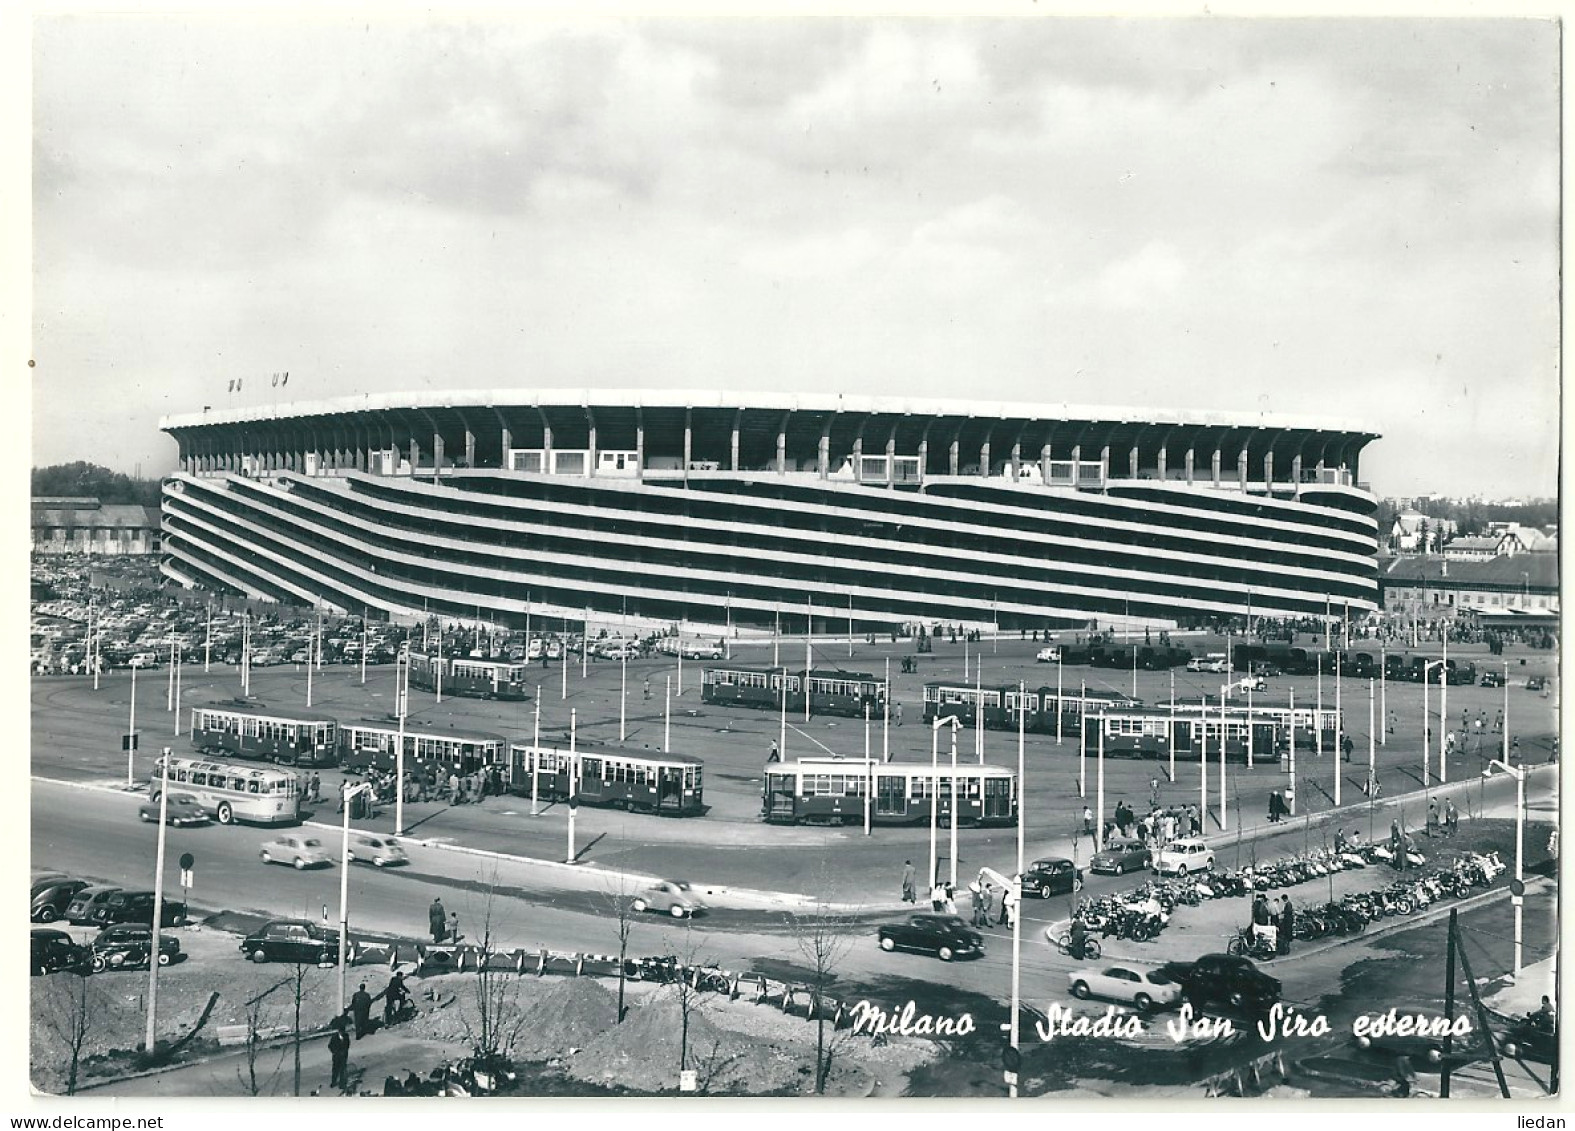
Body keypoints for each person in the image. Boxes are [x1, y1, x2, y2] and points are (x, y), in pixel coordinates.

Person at [327, 1021, 350, 1091]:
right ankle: (333, 1082)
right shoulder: (334, 1038)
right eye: (341, 1032)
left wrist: (345, 1051)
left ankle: (342, 1084)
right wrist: (335, 1052)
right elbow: (330, 1046)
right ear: (339, 1031)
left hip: (343, 1057)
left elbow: (348, 1044)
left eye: (343, 1032)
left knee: (342, 1070)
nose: (342, 1033)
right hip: (336, 1057)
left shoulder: (346, 1036)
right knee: (335, 1070)